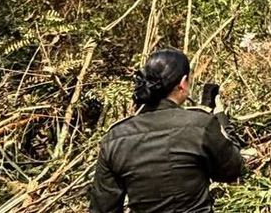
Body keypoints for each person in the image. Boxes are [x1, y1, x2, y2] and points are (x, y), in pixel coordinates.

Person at [89, 49, 243, 213]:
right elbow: (232, 170)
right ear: (183, 83)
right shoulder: (200, 124)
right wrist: (221, 119)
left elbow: (103, 208)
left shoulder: (115, 137)